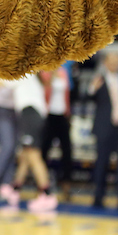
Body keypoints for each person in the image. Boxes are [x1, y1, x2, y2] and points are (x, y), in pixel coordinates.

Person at [90, 52, 118, 210]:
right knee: (101, 163)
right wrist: (93, 89)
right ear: (106, 63)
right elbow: (88, 97)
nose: (116, 64)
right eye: (113, 61)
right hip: (104, 128)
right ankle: (98, 198)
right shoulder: (99, 80)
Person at [7, 73, 57, 213]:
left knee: (34, 155)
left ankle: (47, 194)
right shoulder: (31, 74)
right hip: (34, 115)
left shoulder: (22, 73)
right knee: (25, 154)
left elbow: (1, 83)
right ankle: (15, 189)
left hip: (30, 114)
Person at [40, 63, 73, 198]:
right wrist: (52, 75)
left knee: (67, 151)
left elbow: (67, 93)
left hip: (62, 115)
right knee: (44, 150)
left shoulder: (64, 72)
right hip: (49, 115)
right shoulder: (45, 71)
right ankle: (42, 184)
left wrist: (68, 112)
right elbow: (45, 88)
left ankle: (66, 184)